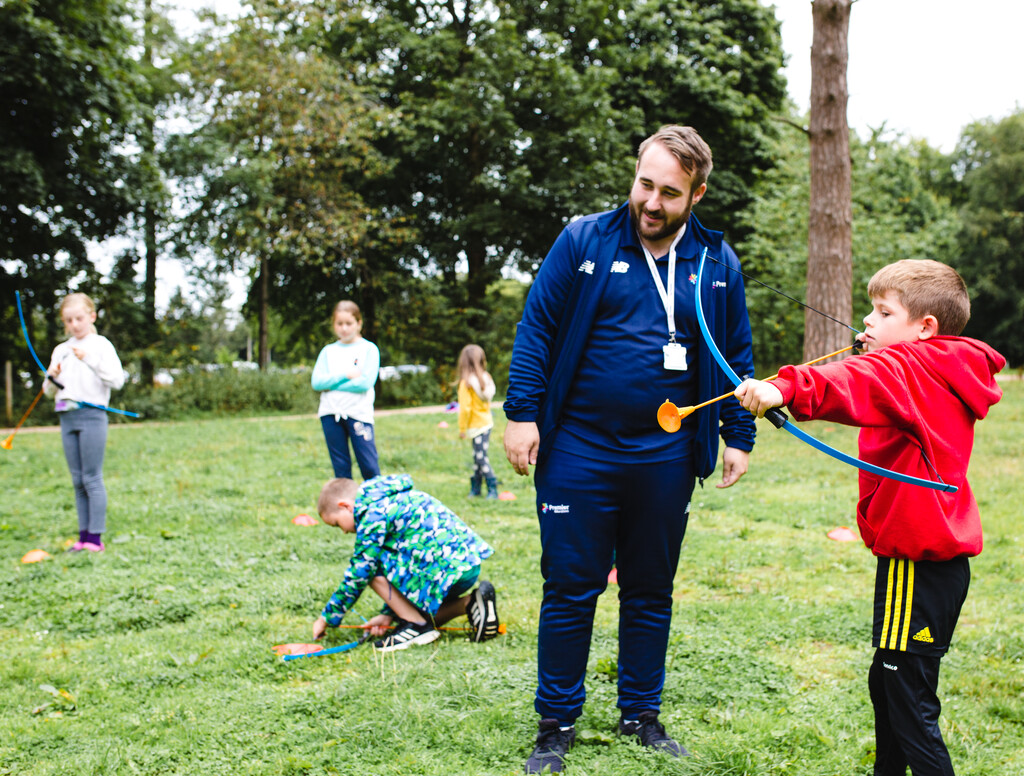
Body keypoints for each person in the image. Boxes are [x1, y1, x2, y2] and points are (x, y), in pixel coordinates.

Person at [503, 125, 757, 773]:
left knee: (650, 589)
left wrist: (739, 435)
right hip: (579, 449)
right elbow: (537, 327)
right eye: (645, 184)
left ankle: (641, 713)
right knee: (570, 586)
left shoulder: (716, 262)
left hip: (666, 456)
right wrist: (521, 414)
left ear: (696, 194)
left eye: (669, 193)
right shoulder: (584, 238)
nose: (651, 202)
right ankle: (555, 722)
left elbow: (735, 355)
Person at [734, 260, 1005, 776]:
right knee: (889, 684)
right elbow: (875, 374)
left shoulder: (914, 368)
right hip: (925, 564)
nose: (868, 322)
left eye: (884, 312)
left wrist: (784, 389)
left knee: (908, 701)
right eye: (871, 310)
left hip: (918, 564)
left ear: (926, 328)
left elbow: (860, 379)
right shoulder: (940, 368)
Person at [312, 474, 502, 652]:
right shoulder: (388, 498)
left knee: (368, 566)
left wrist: (326, 618)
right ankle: (471, 603)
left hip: (442, 572)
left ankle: (416, 627)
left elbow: (360, 570)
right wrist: (389, 615)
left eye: (337, 524)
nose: (344, 531)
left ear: (346, 506)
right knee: (419, 616)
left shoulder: (372, 514)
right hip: (463, 567)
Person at [43, 293, 125, 553]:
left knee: (91, 478)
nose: (74, 324)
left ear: (92, 316)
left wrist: (88, 359)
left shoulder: (101, 345)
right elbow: (48, 392)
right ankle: (83, 536)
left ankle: (95, 539)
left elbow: (117, 380)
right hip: (67, 416)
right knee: (77, 479)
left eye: (79, 318)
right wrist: (50, 377)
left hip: (92, 416)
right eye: (69, 320)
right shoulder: (61, 350)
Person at [311, 301, 381, 480]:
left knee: (369, 466)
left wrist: (331, 384)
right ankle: (345, 506)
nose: (344, 328)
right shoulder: (328, 351)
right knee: (340, 468)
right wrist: (345, 375)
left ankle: (376, 505)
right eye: (339, 324)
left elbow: (365, 383)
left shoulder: (369, 349)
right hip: (330, 414)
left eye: (348, 323)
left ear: (359, 323)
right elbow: (317, 382)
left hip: (358, 414)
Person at [456, 344, 498, 499]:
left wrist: (462, 428)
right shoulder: (485, 379)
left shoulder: (466, 384)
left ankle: (492, 487)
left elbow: (465, 409)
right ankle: (476, 488)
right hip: (486, 423)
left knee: (481, 458)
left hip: (476, 425)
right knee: (477, 457)